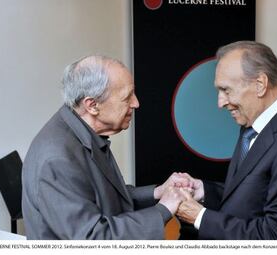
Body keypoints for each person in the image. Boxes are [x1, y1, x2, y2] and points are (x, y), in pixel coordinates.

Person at [22, 55, 190, 239]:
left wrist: (158, 193)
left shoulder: (80, 129)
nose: (136, 103)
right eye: (127, 97)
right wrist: (163, 209)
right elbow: (94, 238)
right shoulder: (57, 159)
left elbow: (105, 197)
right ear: (92, 105)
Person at [176, 41, 277, 239]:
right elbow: (251, 196)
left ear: (260, 85)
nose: (220, 102)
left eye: (226, 90)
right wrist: (204, 191)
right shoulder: (252, 123)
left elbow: (275, 236)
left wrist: (199, 216)